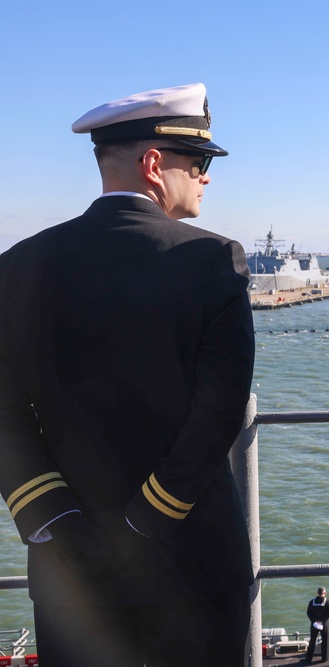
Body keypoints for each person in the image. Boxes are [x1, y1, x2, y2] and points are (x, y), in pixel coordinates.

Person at [0, 83, 254, 667]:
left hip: (72, 574)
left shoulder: (18, 266)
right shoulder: (213, 260)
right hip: (192, 565)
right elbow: (218, 414)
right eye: (198, 163)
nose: (205, 177)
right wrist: (140, 524)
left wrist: (60, 524)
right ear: (154, 164)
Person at [305, 587, 329, 663]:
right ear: (324, 593)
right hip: (324, 624)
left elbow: (309, 612)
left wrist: (314, 621)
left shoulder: (312, 602)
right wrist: (322, 621)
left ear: (317, 593)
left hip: (314, 624)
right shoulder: (327, 602)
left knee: (312, 640)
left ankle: (308, 658)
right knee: (325, 640)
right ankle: (325, 658)